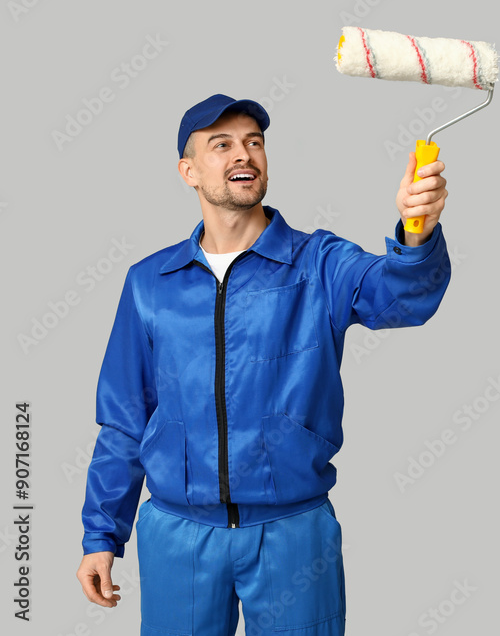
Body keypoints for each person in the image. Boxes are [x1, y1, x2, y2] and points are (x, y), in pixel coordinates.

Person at [75, 94, 451, 635]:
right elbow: (124, 419)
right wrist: (101, 536)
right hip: (178, 536)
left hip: (292, 534)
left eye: (254, 142)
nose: (243, 155)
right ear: (187, 171)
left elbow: (404, 297)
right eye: (221, 145)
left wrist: (415, 232)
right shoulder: (149, 283)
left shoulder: (319, 262)